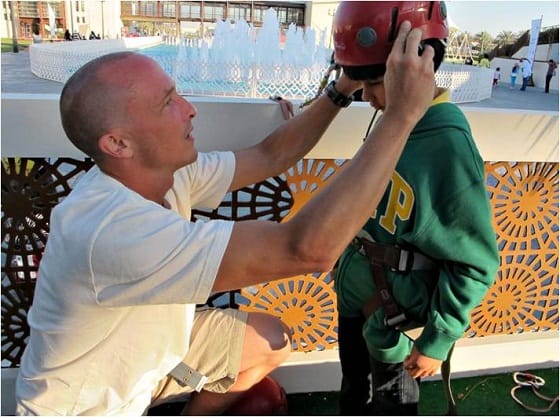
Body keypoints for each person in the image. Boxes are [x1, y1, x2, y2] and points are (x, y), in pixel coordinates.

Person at [14, 20, 438, 416]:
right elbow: (306, 250)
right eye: (168, 103)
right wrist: (400, 116)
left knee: (272, 340)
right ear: (118, 144)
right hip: (89, 406)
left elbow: (270, 155)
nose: (190, 109)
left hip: (152, 351)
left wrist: (342, 89)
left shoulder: (163, 173)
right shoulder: (112, 230)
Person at [331, 1, 500, 415]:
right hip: (356, 301)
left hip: (395, 327)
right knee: (352, 392)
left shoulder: (446, 145)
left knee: (393, 405)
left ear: (419, 62)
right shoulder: (394, 120)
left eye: (374, 82)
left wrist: (437, 340)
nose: (366, 96)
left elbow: (476, 263)